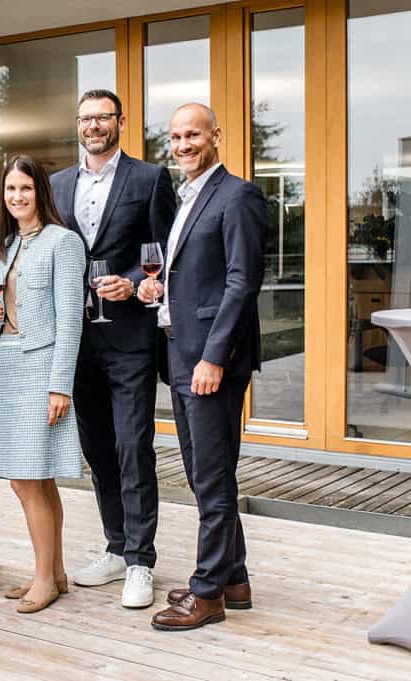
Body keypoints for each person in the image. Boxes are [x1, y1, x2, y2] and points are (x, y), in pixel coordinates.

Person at [138, 103, 266, 631]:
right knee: (200, 474)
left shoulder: (238, 195)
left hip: (211, 360)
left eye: (193, 134)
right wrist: (157, 287)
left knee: (212, 478)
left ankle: (207, 591)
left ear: (217, 135)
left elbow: (242, 282)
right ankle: (233, 578)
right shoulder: (188, 196)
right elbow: (199, 277)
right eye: (175, 136)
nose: (183, 144)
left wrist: (214, 356)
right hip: (182, 353)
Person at [50, 89, 176, 609]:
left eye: (103, 117)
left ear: (120, 122)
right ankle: (116, 547)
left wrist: (131, 281)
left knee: (132, 446)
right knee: (98, 449)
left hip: (129, 338)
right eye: (86, 118)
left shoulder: (149, 179)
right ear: (77, 124)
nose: (94, 125)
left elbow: (167, 251)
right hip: (77, 339)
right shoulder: (57, 184)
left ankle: (142, 561)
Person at [0, 154, 86, 615]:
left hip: (42, 370)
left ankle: (43, 578)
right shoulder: (7, 244)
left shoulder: (63, 243)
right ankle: (54, 572)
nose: (17, 196)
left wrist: (60, 385)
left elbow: (71, 321)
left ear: (40, 191)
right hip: (11, 365)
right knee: (36, 482)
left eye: (25, 188)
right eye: (10, 190)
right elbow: (10, 306)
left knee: (28, 481)